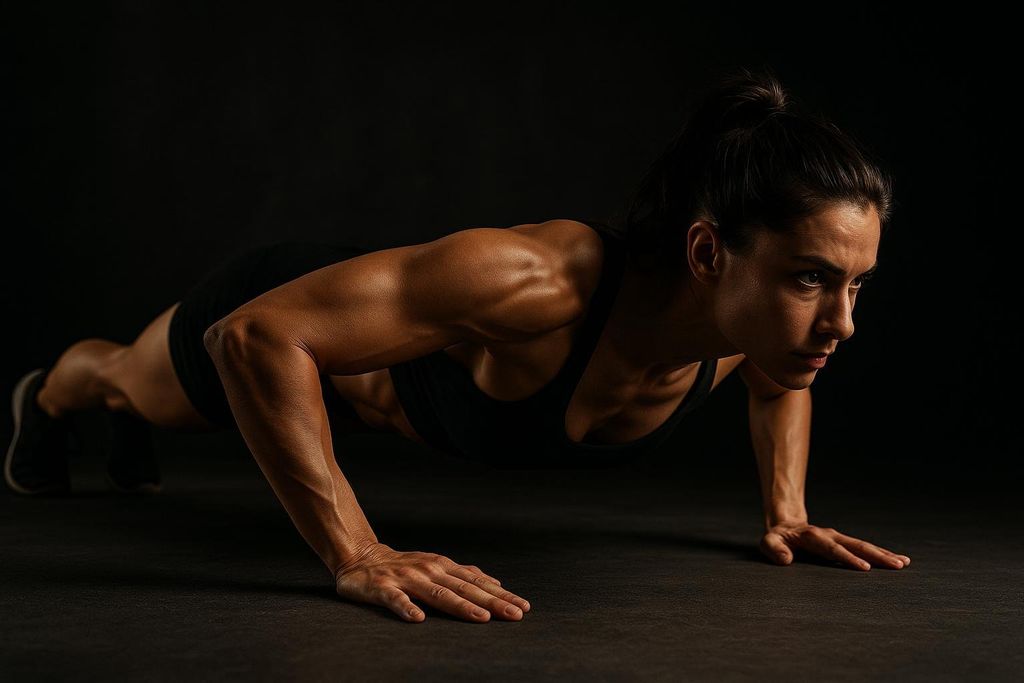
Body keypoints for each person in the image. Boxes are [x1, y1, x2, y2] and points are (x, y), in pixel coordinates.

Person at [5, 65, 911, 624]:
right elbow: (254, 334)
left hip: (365, 361)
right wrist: (356, 553)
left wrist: (785, 511)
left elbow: (782, 373)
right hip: (282, 312)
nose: (841, 323)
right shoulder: (543, 282)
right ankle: (48, 395)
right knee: (128, 384)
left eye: (854, 284)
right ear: (709, 251)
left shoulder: (744, 324)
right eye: (809, 279)